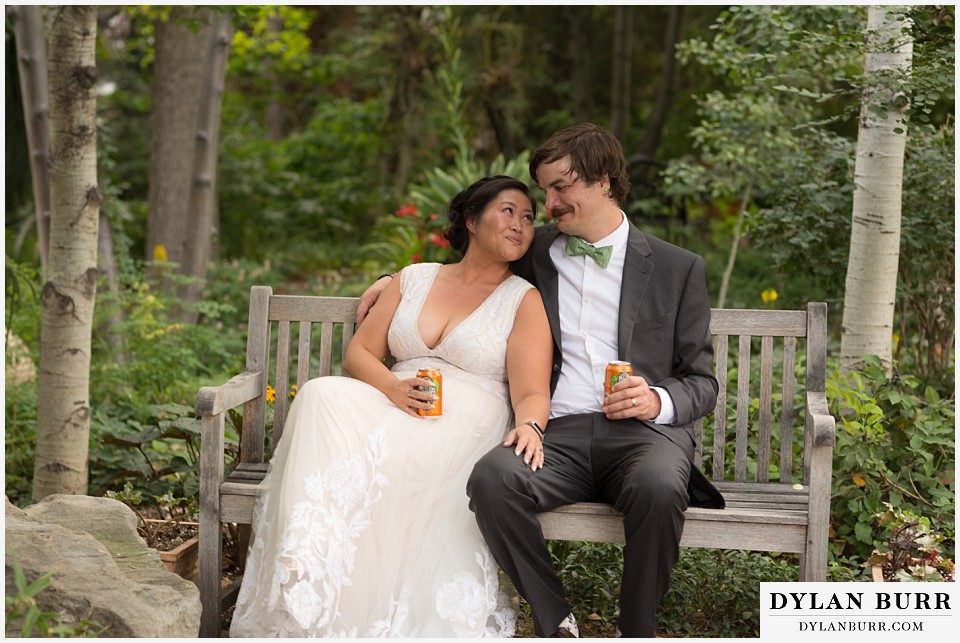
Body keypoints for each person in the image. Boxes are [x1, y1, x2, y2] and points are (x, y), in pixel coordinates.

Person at [358, 123, 725, 638]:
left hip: (645, 436)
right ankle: (556, 621)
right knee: (493, 479)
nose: (548, 203)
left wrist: (656, 398)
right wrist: (390, 281)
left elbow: (702, 382)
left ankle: (636, 630)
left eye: (560, 188)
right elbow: (465, 268)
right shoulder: (535, 250)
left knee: (660, 487)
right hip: (559, 433)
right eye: (545, 190)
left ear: (603, 181)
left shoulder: (677, 268)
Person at [230, 175, 553, 637]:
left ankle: (365, 606)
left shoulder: (522, 300)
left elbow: (531, 390)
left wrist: (531, 426)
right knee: (322, 393)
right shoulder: (413, 278)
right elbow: (359, 354)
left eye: (528, 217)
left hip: (465, 417)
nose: (520, 224)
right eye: (508, 211)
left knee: (405, 447)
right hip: (394, 396)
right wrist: (393, 389)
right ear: (471, 219)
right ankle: (307, 565)